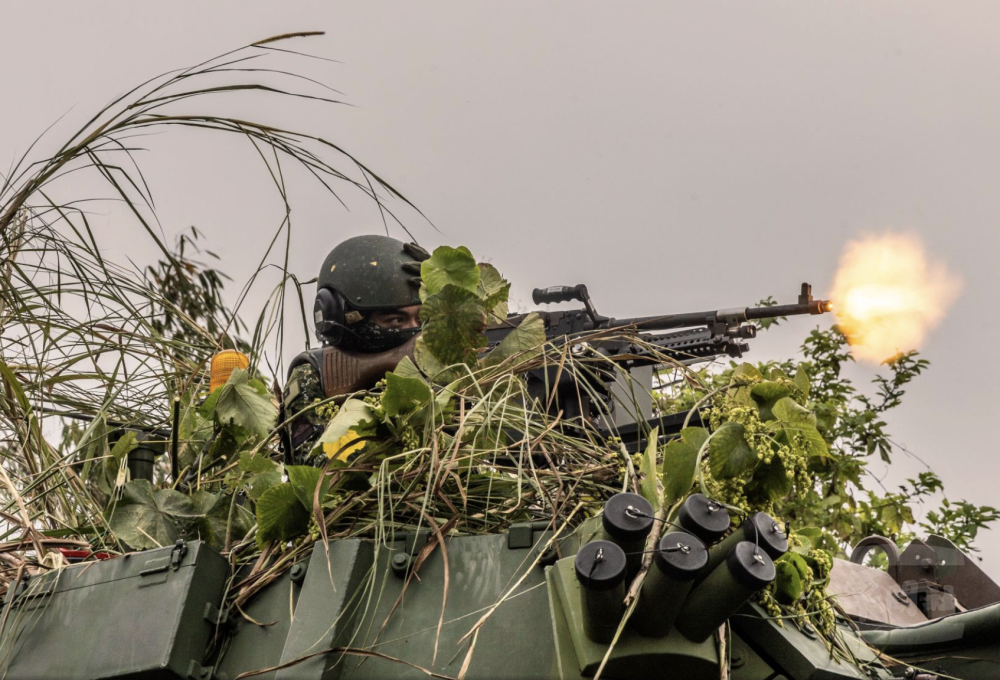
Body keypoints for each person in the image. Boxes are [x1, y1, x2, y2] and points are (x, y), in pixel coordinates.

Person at [282, 234, 430, 465]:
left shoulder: (443, 362)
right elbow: (318, 468)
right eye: (396, 320)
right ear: (339, 316)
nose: (415, 332)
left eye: (421, 319)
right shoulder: (314, 374)